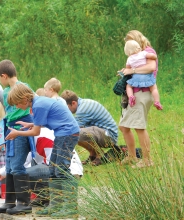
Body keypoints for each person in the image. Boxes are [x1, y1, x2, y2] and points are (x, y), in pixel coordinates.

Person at [5, 83, 80, 218]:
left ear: (24, 99)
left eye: (17, 103)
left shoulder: (38, 105)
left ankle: (71, 206)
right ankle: (56, 205)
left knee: (61, 169)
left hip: (68, 133)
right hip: (62, 133)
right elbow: (45, 121)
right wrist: (30, 124)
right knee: (53, 169)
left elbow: (35, 132)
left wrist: (17, 133)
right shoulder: (37, 102)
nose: (16, 107)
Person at [0, 127, 84, 206]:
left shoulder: (42, 136)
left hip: (68, 173)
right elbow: (24, 161)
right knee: (26, 169)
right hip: (53, 169)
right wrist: (4, 172)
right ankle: (46, 197)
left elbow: (57, 167)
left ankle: (58, 198)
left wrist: (2, 172)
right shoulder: (34, 135)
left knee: (21, 175)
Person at [0, 60, 35, 215]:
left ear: (4, 76)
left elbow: (34, 104)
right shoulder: (5, 92)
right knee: (10, 165)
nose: (0, 81)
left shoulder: (24, 88)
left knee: (17, 165)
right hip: (10, 129)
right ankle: (9, 202)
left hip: (21, 129)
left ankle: (24, 203)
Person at [119, 30, 157, 168]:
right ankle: (132, 156)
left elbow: (151, 67)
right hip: (133, 93)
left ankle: (147, 160)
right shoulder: (134, 55)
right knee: (124, 126)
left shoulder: (147, 51)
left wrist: (132, 71)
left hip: (143, 92)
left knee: (139, 126)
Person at [61, 90, 119, 166]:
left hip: (110, 136)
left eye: (67, 108)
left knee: (76, 133)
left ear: (73, 103)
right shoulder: (82, 103)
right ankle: (93, 154)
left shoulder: (82, 109)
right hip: (102, 133)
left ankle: (100, 155)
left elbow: (74, 129)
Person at [124, 40, 162, 110]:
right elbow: (152, 56)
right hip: (146, 76)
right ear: (138, 48)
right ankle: (157, 101)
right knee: (153, 88)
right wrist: (154, 56)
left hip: (136, 77)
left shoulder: (129, 59)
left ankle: (131, 96)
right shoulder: (143, 53)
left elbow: (128, 69)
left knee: (128, 86)